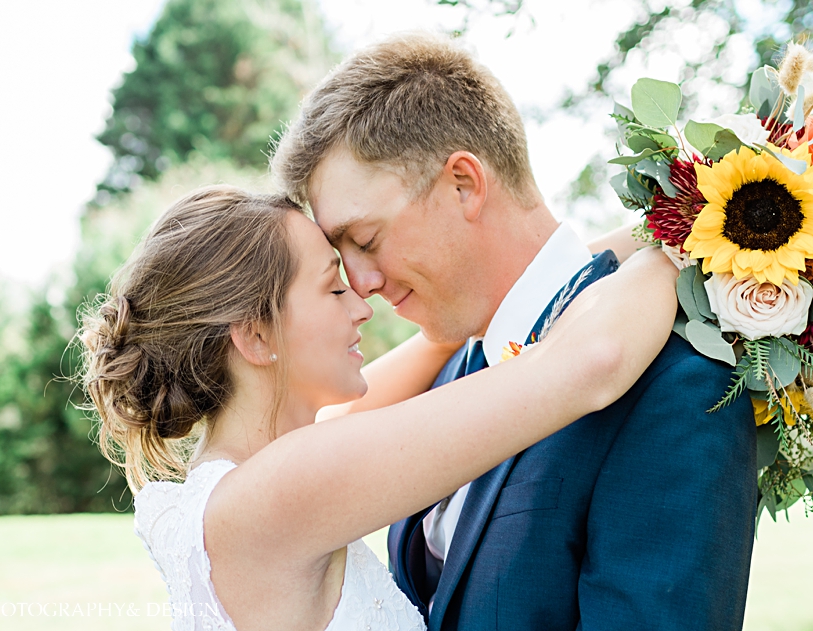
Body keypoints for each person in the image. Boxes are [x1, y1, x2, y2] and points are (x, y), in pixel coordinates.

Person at [270, 32, 757, 631]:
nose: (362, 282)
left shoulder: (677, 380)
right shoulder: (446, 372)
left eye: (366, 240)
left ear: (464, 185)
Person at [78, 185, 678, 631]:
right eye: (333, 288)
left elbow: (455, 331)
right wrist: (700, 239)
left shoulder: (250, 479)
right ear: (256, 337)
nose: (362, 305)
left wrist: (651, 225)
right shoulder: (281, 491)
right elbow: (592, 362)